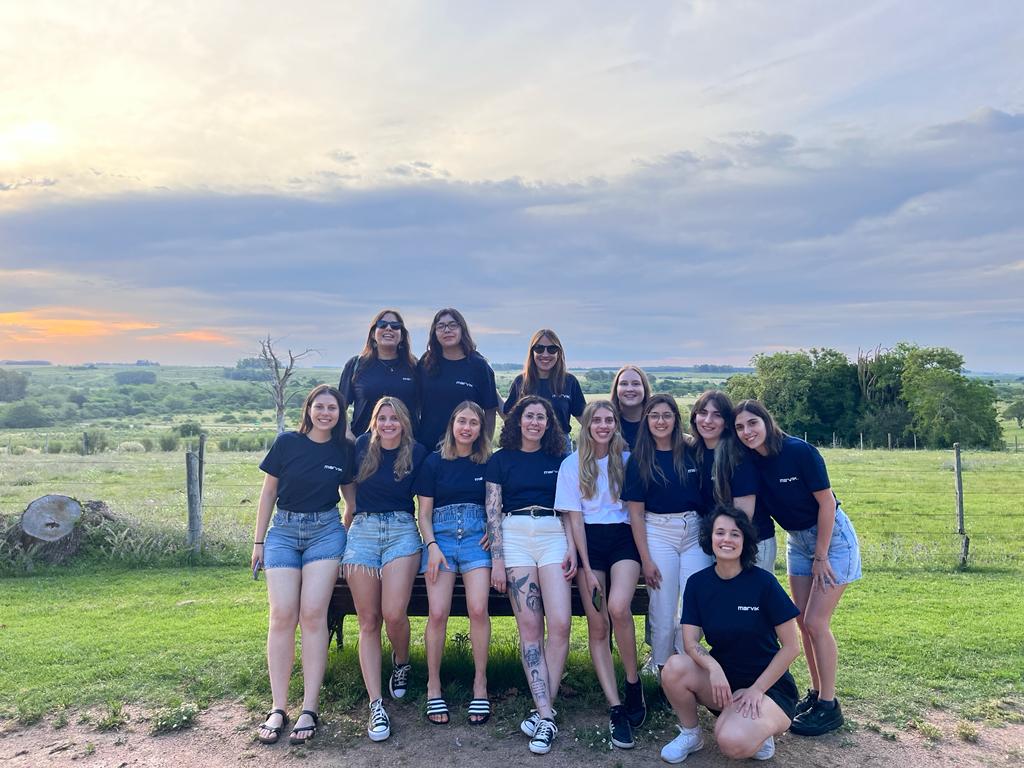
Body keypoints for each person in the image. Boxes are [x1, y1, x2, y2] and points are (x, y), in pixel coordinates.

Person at [734, 399, 862, 737]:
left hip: (831, 539)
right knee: (802, 622)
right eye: (740, 427)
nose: (747, 432)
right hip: (797, 540)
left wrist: (821, 556)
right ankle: (817, 694)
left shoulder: (798, 451)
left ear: (766, 421)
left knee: (817, 622)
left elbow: (827, 503)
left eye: (752, 423)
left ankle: (830, 706)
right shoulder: (751, 461)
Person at [252, 384, 356, 746]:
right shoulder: (287, 443)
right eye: (319, 406)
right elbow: (268, 492)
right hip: (283, 531)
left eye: (332, 408)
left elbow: (352, 504)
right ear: (308, 409)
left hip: (325, 533)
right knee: (282, 614)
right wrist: (258, 542)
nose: (326, 413)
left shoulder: (344, 450)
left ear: (340, 414)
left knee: (313, 614)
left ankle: (310, 708)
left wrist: (344, 540)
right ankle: (278, 707)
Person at [659, 506, 801, 763]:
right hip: (724, 681)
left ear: (745, 541)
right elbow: (690, 642)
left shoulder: (764, 583)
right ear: (710, 538)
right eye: (720, 532)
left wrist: (757, 689)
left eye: (735, 534)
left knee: (731, 742)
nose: (727, 539)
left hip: (768, 687)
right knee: (673, 667)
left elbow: (792, 647)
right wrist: (713, 669)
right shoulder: (698, 584)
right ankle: (692, 734)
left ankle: (760, 730)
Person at [486, 395, 575, 755]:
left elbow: (570, 510)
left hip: (553, 535)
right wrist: (497, 560)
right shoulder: (500, 460)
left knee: (561, 623)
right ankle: (546, 716)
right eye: (529, 416)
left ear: (549, 424)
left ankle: (542, 711)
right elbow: (493, 513)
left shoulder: (561, 459)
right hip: (515, 536)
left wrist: (572, 547)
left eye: (541, 417)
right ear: (517, 421)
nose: (535, 422)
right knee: (531, 629)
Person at [555, 400, 646, 749]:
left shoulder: (628, 460)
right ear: (587, 425)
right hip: (589, 543)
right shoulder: (572, 464)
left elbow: (636, 511)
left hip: (622, 539)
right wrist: (585, 564)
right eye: (597, 420)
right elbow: (574, 518)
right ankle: (615, 705)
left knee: (619, 608)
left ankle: (633, 682)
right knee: (598, 624)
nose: (604, 426)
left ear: (615, 425)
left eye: (609, 420)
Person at [342, 397, 428, 742]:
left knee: (393, 613)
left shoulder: (416, 452)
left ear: (404, 422)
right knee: (368, 620)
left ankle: (402, 662)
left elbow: (425, 504)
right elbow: (347, 484)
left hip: (402, 531)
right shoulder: (362, 447)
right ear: (374, 421)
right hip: (362, 530)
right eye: (382, 418)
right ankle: (376, 703)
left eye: (394, 418)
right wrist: (350, 513)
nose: (388, 424)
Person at [415, 401, 493, 726]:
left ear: (480, 429)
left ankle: (480, 683)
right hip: (441, 539)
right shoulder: (434, 462)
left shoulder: (488, 462)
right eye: (462, 421)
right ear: (452, 424)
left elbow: (496, 503)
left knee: (478, 608)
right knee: (437, 612)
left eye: (474, 423)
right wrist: (432, 546)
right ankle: (433, 684)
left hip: (477, 539)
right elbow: (423, 513)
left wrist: (493, 529)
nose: (467, 428)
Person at [622, 395, 709, 671]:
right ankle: (660, 665)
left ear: (675, 419)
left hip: (694, 531)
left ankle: (687, 663)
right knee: (663, 604)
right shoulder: (639, 459)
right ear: (646, 420)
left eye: (667, 415)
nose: (661, 421)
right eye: (654, 416)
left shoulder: (692, 450)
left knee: (693, 601)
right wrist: (646, 559)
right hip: (658, 532)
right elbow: (636, 514)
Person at [689, 390, 776, 572]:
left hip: (751, 543)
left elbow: (743, 515)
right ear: (694, 417)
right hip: (719, 542)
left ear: (727, 422)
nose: (708, 420)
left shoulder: (737, 456)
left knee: (748, 592)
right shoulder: (695, 451)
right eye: (703, 413)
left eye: (717, 415)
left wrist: (726, 548)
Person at [416, 308, 500, 451]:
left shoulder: (478, 366)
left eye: (453, 325)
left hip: (466, 450)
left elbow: (490, 411)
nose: (447, 330)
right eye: (441, 326)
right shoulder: (426, 362)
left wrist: (483, 448)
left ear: (462, 329)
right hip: (428, 448)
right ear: (434, 333)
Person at [338, 309, 418, 437]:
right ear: (372, 334)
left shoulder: (414, 366)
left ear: (402, 336)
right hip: (364, 443)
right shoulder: (356, 365)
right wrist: (347, 434)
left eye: (395, 326)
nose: (389, 328)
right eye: (382, 324)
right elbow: (340, 406)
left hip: (406, 444)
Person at [503, 329, 586, 445]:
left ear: (559, 353)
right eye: (539, 349)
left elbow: (584, 419)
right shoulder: (521, 382)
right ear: (532, 352)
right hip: (527, 445)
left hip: (560, 446)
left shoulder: (569, 381)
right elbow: (509, 416)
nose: (545, 354)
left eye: (552, 349)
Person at [610, 365, 651, 450]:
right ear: (616, 389)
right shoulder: (606, 423)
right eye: (624, 384)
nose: (629, 389)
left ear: (644, 388)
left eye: (636, 384)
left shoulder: (656, 423)